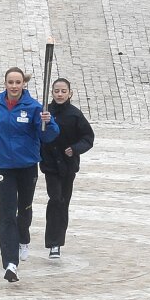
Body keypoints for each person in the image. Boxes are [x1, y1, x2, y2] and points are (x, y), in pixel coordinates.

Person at [0, 67, 58, 282]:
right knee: (7, 212)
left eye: (18, 82)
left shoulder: (35, 107)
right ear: (5, 83)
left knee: (24, 208)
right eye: (11, 82)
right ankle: (10, 263)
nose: (14, 86)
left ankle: (23, 237)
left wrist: (49, 122)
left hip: (27, 165)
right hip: (3, 166)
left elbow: (48, 136)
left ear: (23, 84)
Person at [40, 78, 94, 259]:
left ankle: (57, 243)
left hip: (68, 166)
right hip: (50, 165)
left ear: (70, 93)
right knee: (55, 199)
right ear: (51, 93)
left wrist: (76, 149)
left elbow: (88, 137)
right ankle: (53, 241)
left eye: (63, 91)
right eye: (56, 91)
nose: (60, 94)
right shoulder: (44, 112)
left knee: (63, 202)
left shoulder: (75, 115)